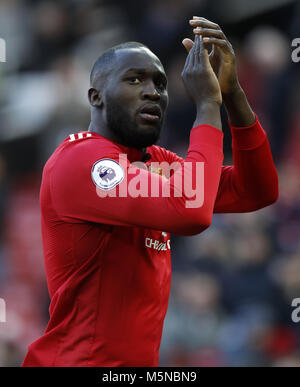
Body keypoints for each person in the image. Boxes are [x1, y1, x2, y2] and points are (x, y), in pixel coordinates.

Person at [22, 17, 278, 366]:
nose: (152, 91)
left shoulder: (155, 161)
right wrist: (207, 105)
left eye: (160, 83)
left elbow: (258, 190)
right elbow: (193, 212)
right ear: (96, 97)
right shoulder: (79, 160)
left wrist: (231, 95)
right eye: (134, 79)